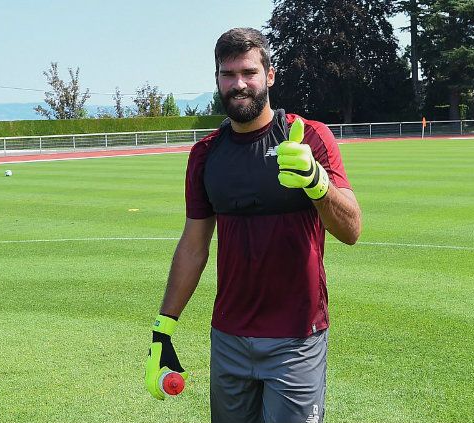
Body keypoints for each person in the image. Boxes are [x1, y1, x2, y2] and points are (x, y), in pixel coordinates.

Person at [144, 27, 361, 423]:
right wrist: (163, 328)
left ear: (270, 75)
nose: (239, 84)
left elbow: (351, 229)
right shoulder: (206, 155)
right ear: (217, 81)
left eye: (248, 72)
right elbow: (193, 247)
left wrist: (317, 183)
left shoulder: (309, 137)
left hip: (297, 337)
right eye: (228, 75)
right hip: (228, 338)